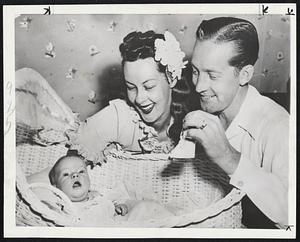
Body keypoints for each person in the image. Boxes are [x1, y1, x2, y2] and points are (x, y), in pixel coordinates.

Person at [182, 17, 289, 228]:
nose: (198, 86)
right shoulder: (203, 106)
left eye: (212, 75)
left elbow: (290, 215)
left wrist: (229, 158)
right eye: (195, 71)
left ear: (244, 75)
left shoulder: (278, 126)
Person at [66, 30, 191, 164]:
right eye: (131, 87)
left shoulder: (193, 118)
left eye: (149, 86)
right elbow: (69, 164)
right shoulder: (118, 117)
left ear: (171, 79)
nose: (139, 99)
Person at [48, 153, 174, 226]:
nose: (75, 175)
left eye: (81, 171)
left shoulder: (99, 195)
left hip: (118, 226)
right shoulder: (63, 206)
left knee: (145, 207)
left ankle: (174, 225)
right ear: (56, 187)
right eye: (66, 174)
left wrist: (118, 207)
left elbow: (111, 207)